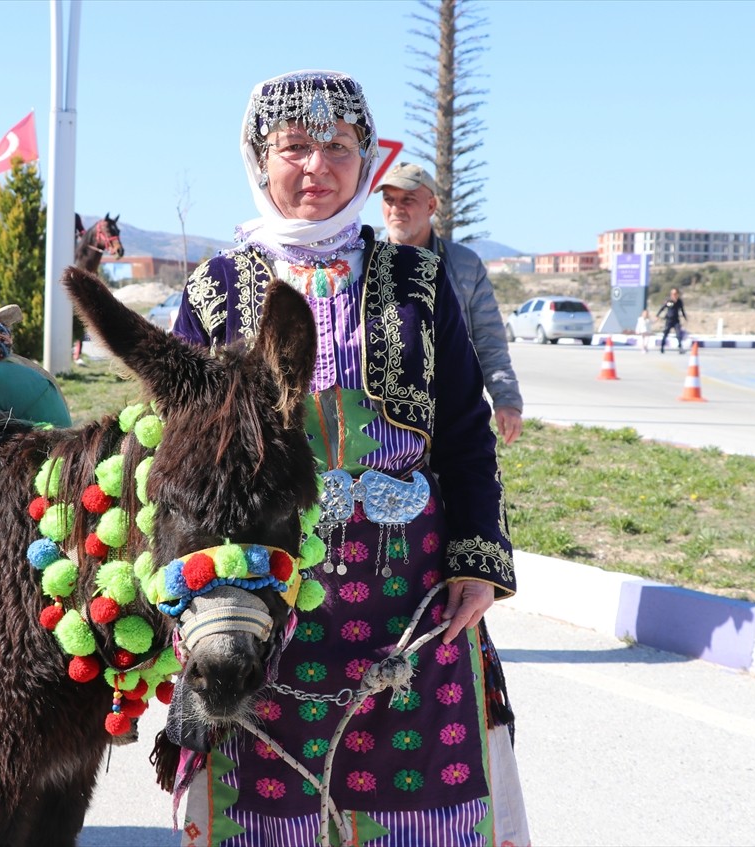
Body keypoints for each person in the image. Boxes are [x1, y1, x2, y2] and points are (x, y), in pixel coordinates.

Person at [170, 70, 527, 847]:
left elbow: (466, 431)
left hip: (414, 599)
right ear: (259, 159)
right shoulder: (216, 290)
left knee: (423, 797)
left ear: (366, 161)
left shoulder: (418, 281)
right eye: (294, 146)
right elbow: (182, 454)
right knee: (267, 803)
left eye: (338, 146)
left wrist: (477, 561)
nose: (317, 167)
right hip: (265, 597)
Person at [374, 162, 524, 446]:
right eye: (389, 200)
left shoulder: (465, 264)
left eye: (408, 200)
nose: (396, 209)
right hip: (384, 419)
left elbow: (489, 339)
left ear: (431, 206)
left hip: (452, 409)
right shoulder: (365, 260)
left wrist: (507, 400)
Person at [656, 287, 687, 354]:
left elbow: (682, 310)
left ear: (677, 294)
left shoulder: (679, 301)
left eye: (675, 293)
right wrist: (657, 315)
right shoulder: (669, 301)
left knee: (678, 334)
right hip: (669, 320)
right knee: (665, 334)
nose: (673, 295)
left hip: (676, 320)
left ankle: (680, 348)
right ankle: (662, 347)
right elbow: (663, 308)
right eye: (672, 293)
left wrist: (685, 318)